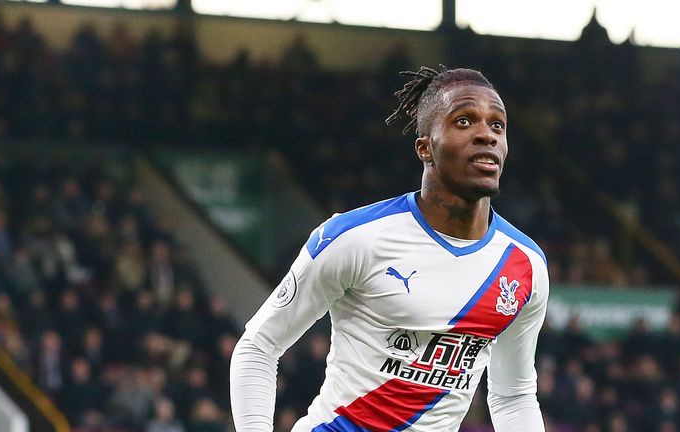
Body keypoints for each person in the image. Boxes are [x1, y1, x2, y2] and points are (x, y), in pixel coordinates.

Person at [230, 65, 549, 431]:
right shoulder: (354, 237)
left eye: (497, 125)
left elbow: (514, 395)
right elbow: (259, 346)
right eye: (464, 121)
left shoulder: (524, 265)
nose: (486, 136)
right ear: (425, 148)